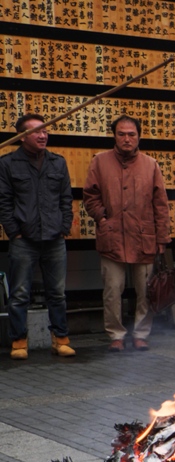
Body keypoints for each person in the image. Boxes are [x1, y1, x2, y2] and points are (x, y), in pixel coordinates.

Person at [83, 115, 171, 352]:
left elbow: (160, 204)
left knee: (146, 290)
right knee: (112, 290)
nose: (126, 138)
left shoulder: (150, 164)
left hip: (144, 237)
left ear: (139, 136)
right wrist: (102, 218)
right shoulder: (100, 162)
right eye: (121, 134)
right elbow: (90, 195)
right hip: (111, 236)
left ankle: (141, 333)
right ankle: (116, 335)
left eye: (131, 134)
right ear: (114, 136)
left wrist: (162, 238)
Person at [0, 113, 75, 359]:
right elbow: (4, 201)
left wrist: (65, 225)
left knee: (57, 293)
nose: (43, 135)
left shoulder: (57, 162)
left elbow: (66, 198)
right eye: (36, 131)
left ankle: (61, 339)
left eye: (45, 131)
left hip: (54, 237)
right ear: (22, 137)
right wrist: (15, 231)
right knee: (20, 293)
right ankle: (19, 342)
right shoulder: (8, 163)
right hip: (24, 239)